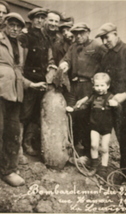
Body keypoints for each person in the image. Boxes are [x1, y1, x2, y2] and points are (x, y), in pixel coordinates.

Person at [0, 12, 46, 187]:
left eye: (18, 26)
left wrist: (31, 85)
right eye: (11, 25)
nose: (15, 29)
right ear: (5, 24)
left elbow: (18, 70)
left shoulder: (20, 45)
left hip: (15, 93)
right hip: (1, 91)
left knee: (12, 133)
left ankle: (8, 170)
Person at [95, 23, 126, 185]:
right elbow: (102, 79)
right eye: (102, 39)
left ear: (115, 34)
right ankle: (124, 172)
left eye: (106, 37)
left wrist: (125, 94)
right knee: (121, 141)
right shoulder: (107, 56)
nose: (105, 41)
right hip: (113, 106)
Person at [59, 22, 106, 158]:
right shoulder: (73, 47)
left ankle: (87, 152)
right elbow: (66, 59)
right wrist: (64, 64)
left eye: (81, 33)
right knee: (72, 115)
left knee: (87, 118)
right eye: (75, 34)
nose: (78, 36)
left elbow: (106, 64)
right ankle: (73, 149)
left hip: (89, 87)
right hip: (74, 87)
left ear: (88, 32)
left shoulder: (97, 46)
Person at [66, 73, 119, 179]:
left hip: (106, 128)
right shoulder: (93, 97)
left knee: (104, 148)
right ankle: (94, 167)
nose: (99, 88)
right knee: (94, 145)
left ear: (107, 86)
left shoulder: (111, 97)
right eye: (97, 86)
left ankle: (103, 169)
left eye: (102, 85)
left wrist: (116, 105)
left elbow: (119, 111)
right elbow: (85, 106)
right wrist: (73, 109)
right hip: (94, 126)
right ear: (93, 86)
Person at [18, 8, 55, 157]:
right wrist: (24, 81)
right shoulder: (25, 37)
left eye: (42, 18)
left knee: (35, 114)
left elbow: (50, 59)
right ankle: (18, 147)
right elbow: (21, 62)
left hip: (42, 80)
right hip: (29, 81)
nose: (40, 21)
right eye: (37, 18)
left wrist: (51, 71)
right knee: (24, 114)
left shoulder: (46, 38)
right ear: (32, 20)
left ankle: (28, 144)